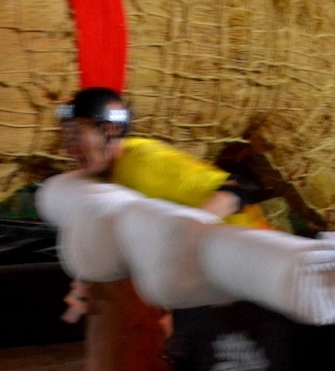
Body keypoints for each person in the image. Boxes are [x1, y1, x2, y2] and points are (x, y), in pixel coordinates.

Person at [58, 87, 269, 323]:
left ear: (111, 129)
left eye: (77, 135)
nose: (70, 148)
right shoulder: (110, 175)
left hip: (253, 269)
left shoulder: (144, 163)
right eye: (67, 135)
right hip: (218, 277)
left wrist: (177, 238)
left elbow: (237, 189)